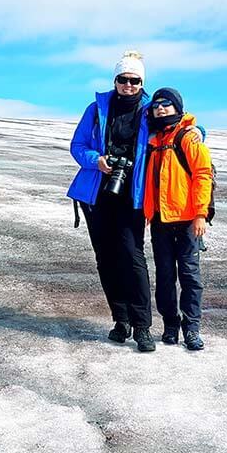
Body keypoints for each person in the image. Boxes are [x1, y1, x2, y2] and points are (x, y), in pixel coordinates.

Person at [68, 51, 158, 352]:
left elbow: (181, 126)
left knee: (132, 258)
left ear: (141, 82)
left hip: (131, 195)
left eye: (134, 81)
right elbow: (77, 145)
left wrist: (197, 132)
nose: (128, 85)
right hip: (98, 194)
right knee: (105, 258)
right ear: (115, 80)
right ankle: (121, 320)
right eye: (123, 79)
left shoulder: (150, 111)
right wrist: (98, 160)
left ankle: (143, 326)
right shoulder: (96, 109)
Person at [143, 87, 213, 350]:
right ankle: (171, 325)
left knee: (190, 276)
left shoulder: (188, 137)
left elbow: (203, 175)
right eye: (156, 105)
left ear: (177, 108)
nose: (160, 109)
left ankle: (192, 328)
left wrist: (200, 214)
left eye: (166, 104)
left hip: (186, 221)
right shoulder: (153, 139)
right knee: (164, 276)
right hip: (160, 220)